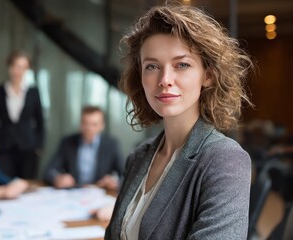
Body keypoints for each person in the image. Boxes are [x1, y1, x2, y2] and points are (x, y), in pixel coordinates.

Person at [105, 3, 253, 240]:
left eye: (181, 65)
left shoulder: (226, 160)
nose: (165, 79)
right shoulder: (139, 157)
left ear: (208, 75)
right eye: (152, 66)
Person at [0, 50, 44, 179]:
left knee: (27, 181)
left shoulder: (33, 92)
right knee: (4, 180)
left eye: (22, 67)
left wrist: (39, 145)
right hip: (3, 145)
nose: (17, 71)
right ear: (9, 67)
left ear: (27, 69)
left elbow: (40, 121)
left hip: (28, 145)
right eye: (15, 66)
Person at [44, 106, 124, 191]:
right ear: (80, 124)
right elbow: (49, 171)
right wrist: (57, 178)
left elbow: (124, 173)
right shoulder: (67, 142)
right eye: (85, 123)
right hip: (73, 192)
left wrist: (114, 181)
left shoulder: (111, 144)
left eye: (94, 124)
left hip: (100, 192)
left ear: (102, 126)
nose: (89, 128)